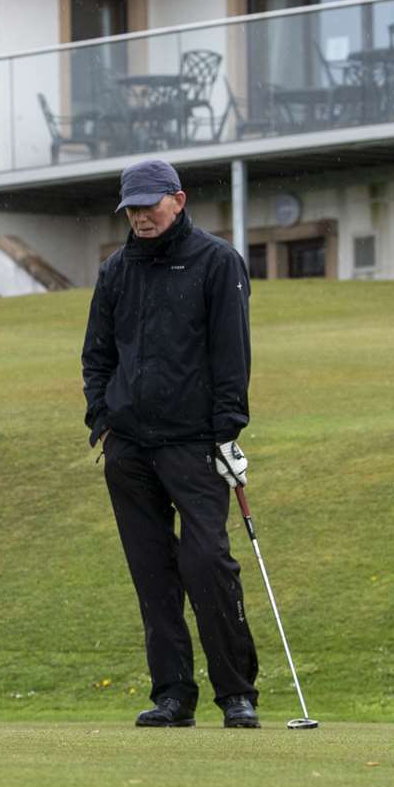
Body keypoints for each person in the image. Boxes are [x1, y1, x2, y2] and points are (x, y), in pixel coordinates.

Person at [81, 158, 261, 728]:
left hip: (194, 443)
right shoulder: (116, 272)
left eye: (150, 205)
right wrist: (102, 421)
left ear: (178, 200)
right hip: (129, 446)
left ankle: (236, 694)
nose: (140, 218)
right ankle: (173, 695)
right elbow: (97, 354)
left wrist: (227, 431)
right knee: (152, 572)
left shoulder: (217, 262)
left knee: (208, 563)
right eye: (132, 209)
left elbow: (232, 355)